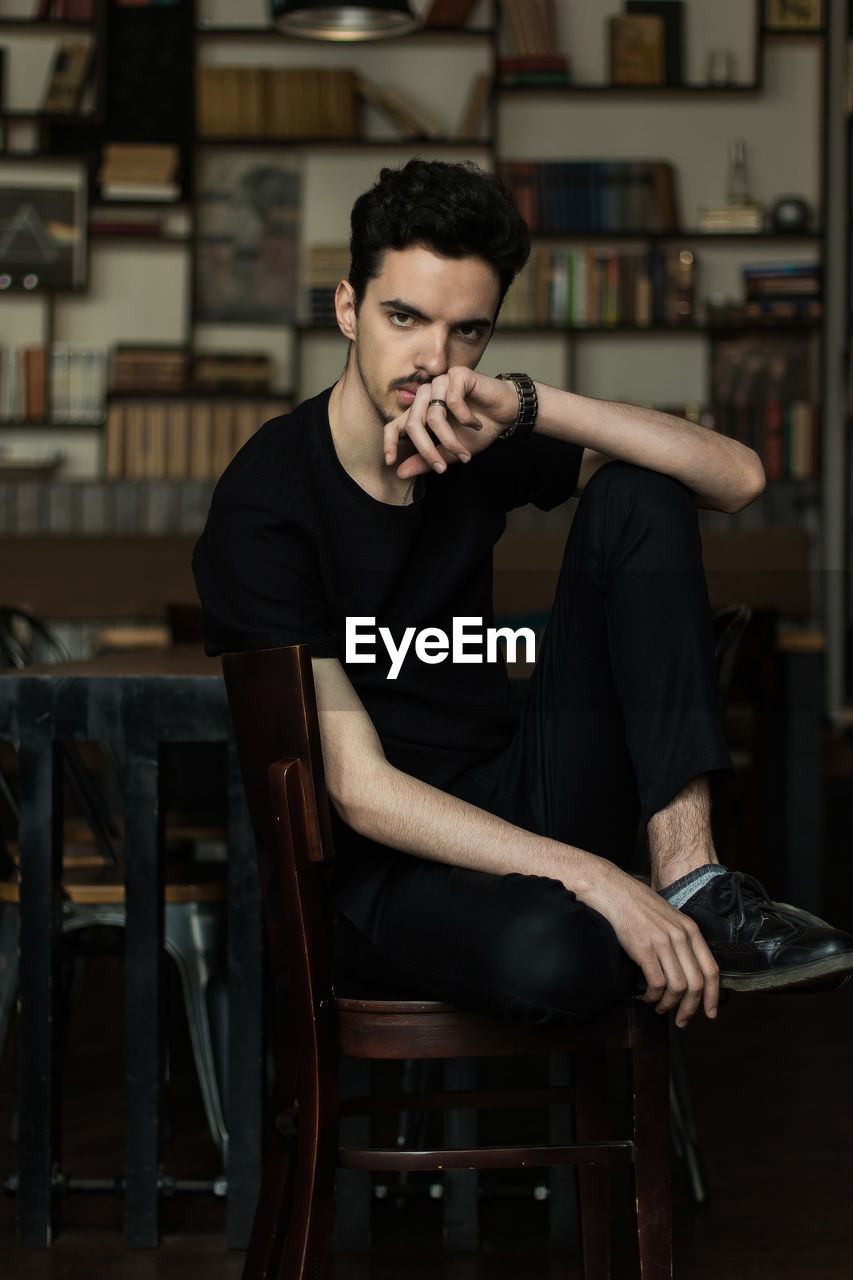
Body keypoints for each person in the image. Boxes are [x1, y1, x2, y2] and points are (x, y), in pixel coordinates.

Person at [193, 158, 853, 1031]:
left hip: (514, 795)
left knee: (640, 488)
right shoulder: (266, 499)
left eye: (468, 332)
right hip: (379, 867)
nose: (433, 360)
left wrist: (523, 403)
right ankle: (625, 910)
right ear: (348, 309)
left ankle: (692, 880)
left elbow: (733, 477)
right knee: (565, 950)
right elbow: (358, 790)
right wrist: (596, 879)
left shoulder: (475, 431)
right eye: (403, 318)